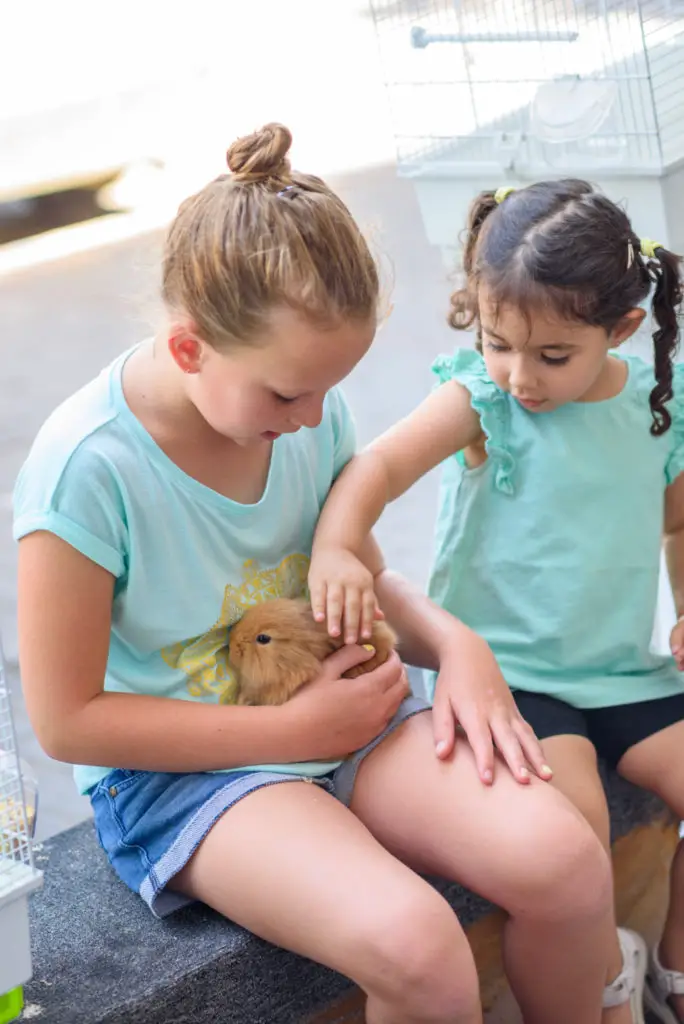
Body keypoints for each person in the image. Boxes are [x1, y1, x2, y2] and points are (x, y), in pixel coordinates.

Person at [14, 136, 614, 1024]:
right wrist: (296, 729)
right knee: (419, 947)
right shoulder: (86, 471)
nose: (311, 422)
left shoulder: (305, 406)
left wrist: (456, 647)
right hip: (186, 774)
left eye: (326, 394)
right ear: (188, 349)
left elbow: (359, 577)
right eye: (288, 396)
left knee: (566, 866)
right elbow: (67, 723)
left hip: (350, 710)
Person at [308, 178, 684, 1024]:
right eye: (497, 342)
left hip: (625, 671)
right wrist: (335, 545)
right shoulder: (480, 401)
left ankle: (675, 970)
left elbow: (679, 524)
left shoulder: (661, 401)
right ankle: (605, 997)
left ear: (621, 329)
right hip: (511, 681)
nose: (519, 375)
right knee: (574, 827)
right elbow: (376, 469)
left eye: (552, 355)